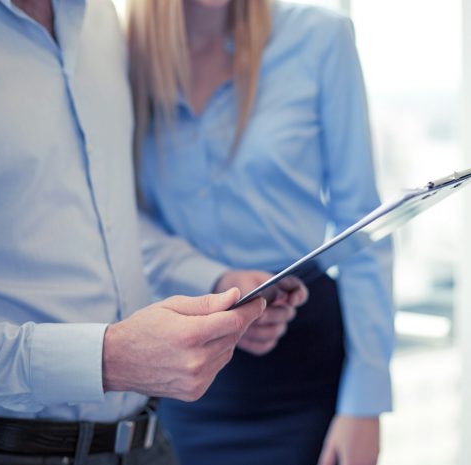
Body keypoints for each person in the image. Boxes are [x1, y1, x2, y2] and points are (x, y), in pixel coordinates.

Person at [0, 1, 307, 464]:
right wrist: (107, 359)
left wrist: (213, 280)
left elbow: (108, 219)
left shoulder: (103, 22)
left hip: (146, 441)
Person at [129, 1, 395, 464]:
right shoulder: (123, 56)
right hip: (184, 373)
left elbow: (361, 225)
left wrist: (365, 405)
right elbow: (124, 218)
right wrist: (214, 277)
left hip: (306, 374)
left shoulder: (320, 38)